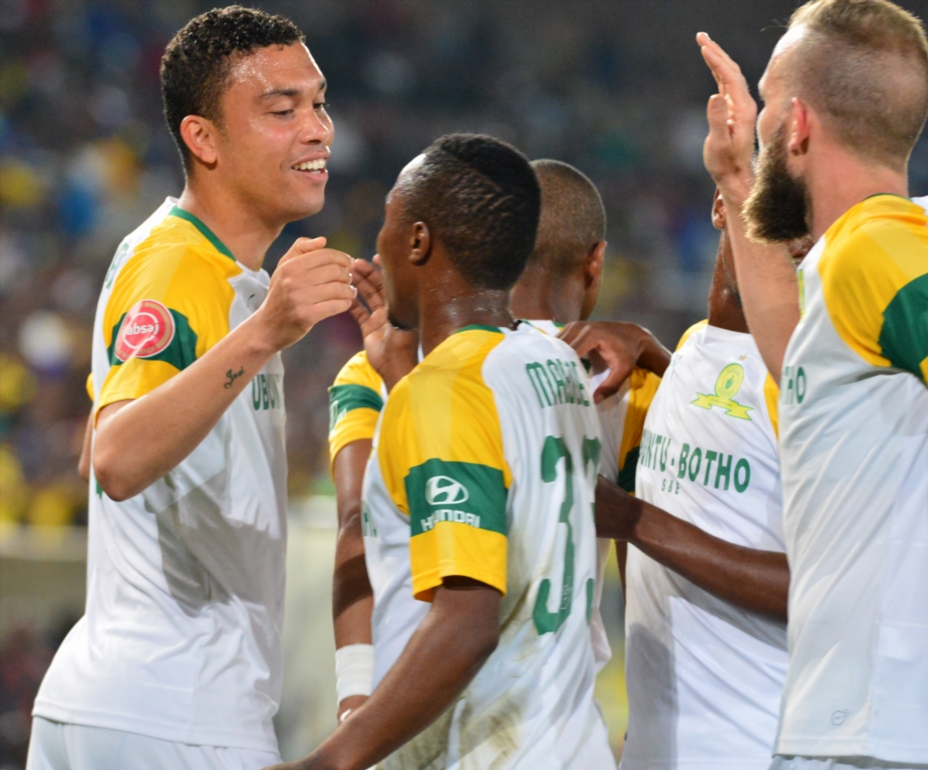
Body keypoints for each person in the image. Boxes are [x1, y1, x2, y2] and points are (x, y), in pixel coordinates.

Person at [28, 8, 356, 769]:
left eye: (318, 102)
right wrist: (267, 332)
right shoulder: (178, 266)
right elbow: (113, 458)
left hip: (131, 704)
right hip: (174, 713)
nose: (318, 129)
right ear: (202, 139)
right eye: (282, 110)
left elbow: (99, 446)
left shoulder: (219, 272)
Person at [698, 0, 928, 768]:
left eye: (767, 102)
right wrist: (737, 179)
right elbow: (798, 360)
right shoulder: (926, 244)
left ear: (797, 125)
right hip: (906, 723)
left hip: (879, 731)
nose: (759, 123)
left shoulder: (882, 246)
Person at [275, 134, 616, 770]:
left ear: (418, 242)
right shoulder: (552, 363)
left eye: (387, 224)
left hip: (487, 752)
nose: (376, 245)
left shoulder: (444, 391)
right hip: (572, 742)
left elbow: (465, 623)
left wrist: (325, 763)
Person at [325, 159, 662, 724]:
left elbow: (359, 524)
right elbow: (647, 584)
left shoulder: (379, 366)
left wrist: (354, 700)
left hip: (430, 713)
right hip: (559, 711)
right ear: (596, 261)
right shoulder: (619, 371)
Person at [563, 190, 810, 770]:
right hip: (658, 743)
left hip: (758, 746)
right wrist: (658, 358)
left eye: (817, 219)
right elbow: (730, 439)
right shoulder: (697, 347)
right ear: (723, 204)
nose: (800, 237)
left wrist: (631, 519)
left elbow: (824, 585)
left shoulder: (808, 377)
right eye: (781, 208)